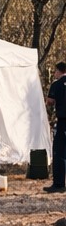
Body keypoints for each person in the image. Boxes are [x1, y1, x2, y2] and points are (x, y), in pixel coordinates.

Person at [46, 61, 66, 193]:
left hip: (63, 121)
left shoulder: (57, 84)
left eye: (55, 71)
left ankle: (59, 183)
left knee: (59, 152)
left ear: (59, 71)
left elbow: (49, 101)